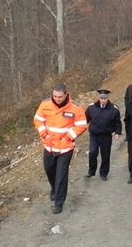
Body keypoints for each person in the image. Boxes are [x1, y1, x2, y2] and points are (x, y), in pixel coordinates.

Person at [33, 83, 87, 214]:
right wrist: (43, 133)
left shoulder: (76, 108)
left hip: (65, 148)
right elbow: (38, 120)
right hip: (49, 146)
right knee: (49, 169)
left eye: (60, 97)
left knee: (61, 175)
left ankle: (59, 202)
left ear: (66, 95)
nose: (57, 99)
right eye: (55, 96)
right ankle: (54, 188)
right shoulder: (45, 104)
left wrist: (68, 137)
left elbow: (81, 125)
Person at [85, 89, 122, 181]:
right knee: (93, 152)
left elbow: (118, 123)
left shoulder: (113, 109)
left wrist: (117, 133)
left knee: (105, 154)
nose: (103, 100)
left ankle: (104, 173)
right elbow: (85, 119)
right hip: (94, 135)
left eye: (105, 98)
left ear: (108, 98)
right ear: (99, 98)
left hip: (106, 136)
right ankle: (91, 170)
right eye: (101, 98)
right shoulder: (91, 108)